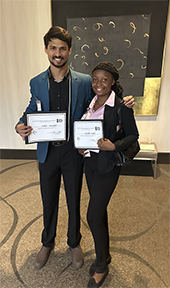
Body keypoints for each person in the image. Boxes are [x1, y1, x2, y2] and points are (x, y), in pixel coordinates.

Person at [15, 26, 134, 271]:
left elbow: (104, 96)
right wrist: (20, 123)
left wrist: (126, 102)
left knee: (73, 197)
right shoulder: (36, 82)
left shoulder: (85, 81)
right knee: (48, 198)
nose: (57, 53)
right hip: (47, 150)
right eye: (53, 48)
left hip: (74, 151)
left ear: (69, 51)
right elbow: (32, 108)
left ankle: (74, 242)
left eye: (62, 49)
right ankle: (47, 242)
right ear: (46, 49)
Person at [78, 61, 139, 288]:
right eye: (95, 79)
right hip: (89, 164)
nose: (99, 83)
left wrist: (114, 146)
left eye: (104, 79)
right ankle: (106, 254)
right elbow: (85, 131)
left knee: (92, 215)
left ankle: (101, 266)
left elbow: (133, 135)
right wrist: (80, 146)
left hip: (108, 165)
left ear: (113, 81)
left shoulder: (122, 106)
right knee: (99, 211)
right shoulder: (90, 103)